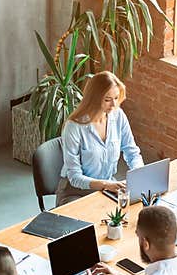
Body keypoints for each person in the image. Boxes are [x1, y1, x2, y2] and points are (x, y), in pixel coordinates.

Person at [56, 70, 144, 206]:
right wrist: (106, 185)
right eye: (107, 100)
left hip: (107, 187)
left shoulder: (118, 115)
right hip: (76, 191)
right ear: (94, 98)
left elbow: (132, 152)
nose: (113, 105)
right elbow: (74, 177)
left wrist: (138, 175)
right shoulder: (74, 127)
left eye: (116, 98)